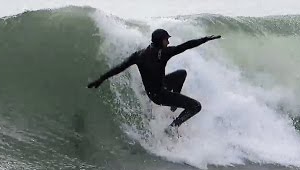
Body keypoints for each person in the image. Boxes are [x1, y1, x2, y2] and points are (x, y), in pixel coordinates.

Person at [87, 29, 221, 136]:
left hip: (157, 88)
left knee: (181, 73)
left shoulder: (139, 55)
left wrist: (101, 79)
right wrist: (205, 39)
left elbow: (119, 68)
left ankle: (174, 105)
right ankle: (172, 127)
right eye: (166, 39)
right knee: (196, 106)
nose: (168, 42)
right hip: (159, 95)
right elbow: (185, 46)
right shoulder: (164, 53)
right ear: (161, 41)